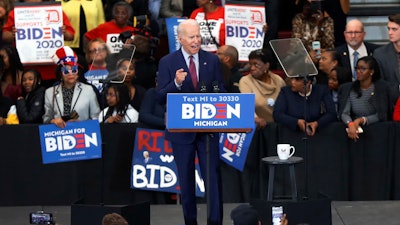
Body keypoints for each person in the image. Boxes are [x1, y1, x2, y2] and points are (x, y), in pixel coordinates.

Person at [156, 19, 225, 225]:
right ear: (180, 39)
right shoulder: (167, 62)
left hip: (207, 131)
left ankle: (215, 222)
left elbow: (219, 89)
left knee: (212, 180)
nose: (196, 41)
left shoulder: (211, 61)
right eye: (192, 37)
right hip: (181, 132)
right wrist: (176, 83)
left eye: (198, 36)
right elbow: (160, 97)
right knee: (186, 182)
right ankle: (190, 222)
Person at [338, 56, 397, 141]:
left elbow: (381, 114)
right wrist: (350, 124)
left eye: (363, 69)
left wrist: (361, 120)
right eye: (357, 68)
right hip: (355, 130)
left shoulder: (381, 89)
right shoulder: (349, 88)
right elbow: (344, 113)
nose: (358, 71)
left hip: (377, 132)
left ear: (371, 72)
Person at [43, 46, 100, 128]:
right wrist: (54, 121)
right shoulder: (49, 92)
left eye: (74, 69)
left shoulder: (88, 90)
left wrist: (81, 124)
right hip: (59, 135)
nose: (71, 74)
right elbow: (46, 119)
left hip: (84, 133)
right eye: (66, 70)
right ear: (60, 74)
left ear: (78, 72)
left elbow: (96, 117)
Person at [239, 49, 286, 130]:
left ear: (266, 65)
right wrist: (255, 118)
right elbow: (246, 105)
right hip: (259, 128)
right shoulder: (245, 81)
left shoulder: (278, 80)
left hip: (280, 126)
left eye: (256, 65)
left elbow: (287, 102)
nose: (252, 68)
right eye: (250, 64)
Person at [374, 14, 400, 95]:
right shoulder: (380, 54)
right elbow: (379, 85)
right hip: (391, 104)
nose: (390, 33)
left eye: (394, 29)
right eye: (388, 29)